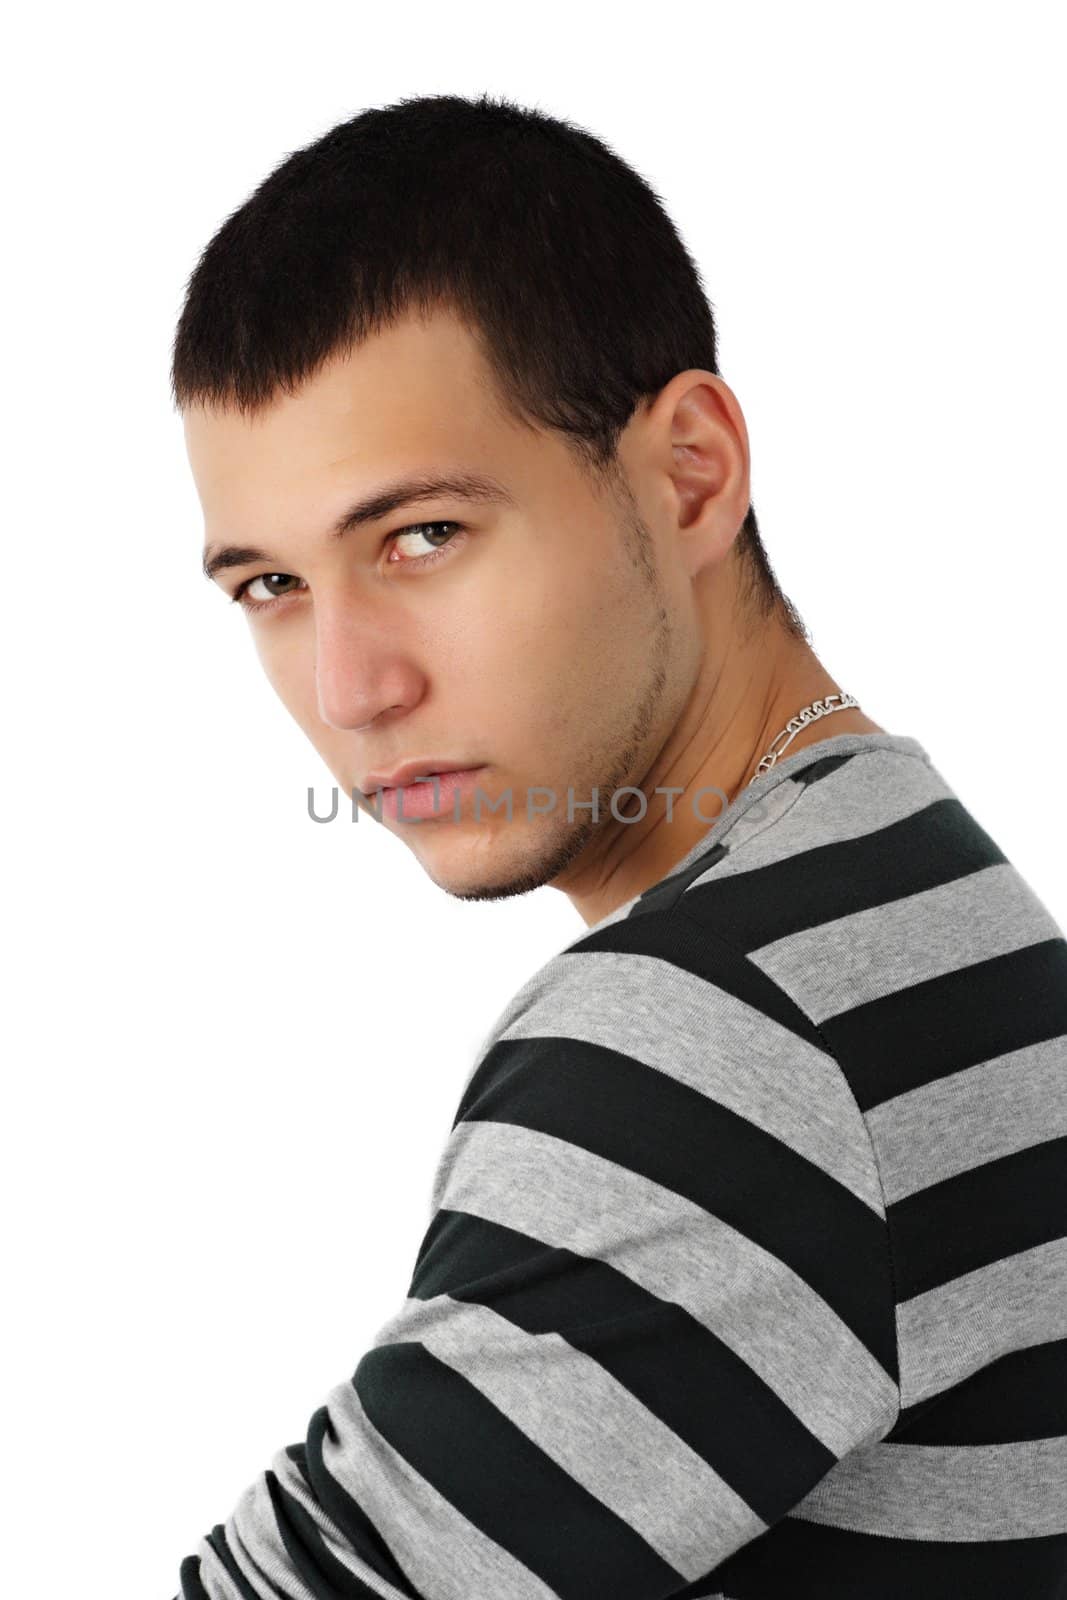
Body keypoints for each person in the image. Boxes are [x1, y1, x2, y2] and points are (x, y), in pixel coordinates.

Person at [170, 91, 1067, 1599]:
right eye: (270, 584)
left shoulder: (723, 1034)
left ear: (690, 474)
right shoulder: (910, 892)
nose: (350, 688)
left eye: (422, 537)